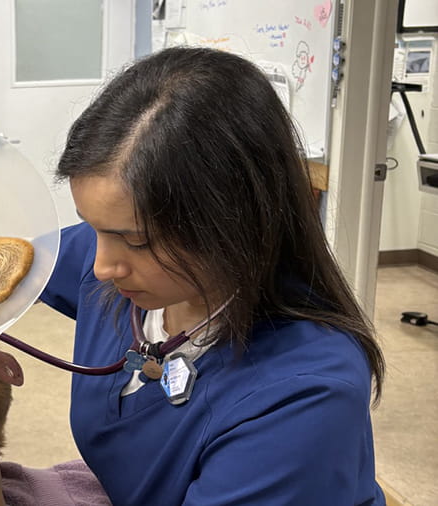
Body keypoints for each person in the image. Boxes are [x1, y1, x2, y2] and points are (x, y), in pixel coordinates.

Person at [39, 46, 386, 505]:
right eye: (92, 223)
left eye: (137, 241)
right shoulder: (115, 262)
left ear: (232, 221)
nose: (102, 265)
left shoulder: (305, 394)